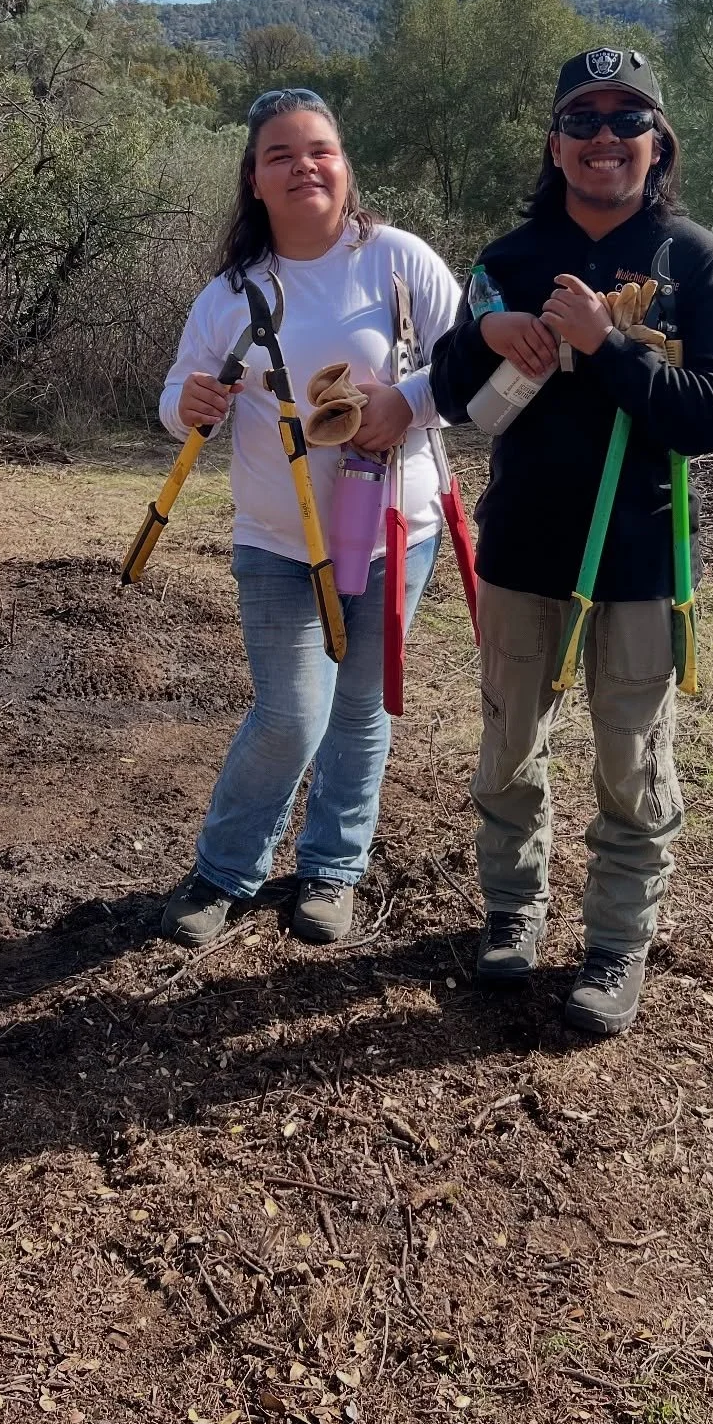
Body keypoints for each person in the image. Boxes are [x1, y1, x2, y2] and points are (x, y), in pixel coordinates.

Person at [430, 47, 713, 1036]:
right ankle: (512, 914)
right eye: (583, 120)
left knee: (634, 762)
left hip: (644, 558)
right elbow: (446, 390)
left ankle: (614, 947)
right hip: (524, 549)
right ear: (555, 144)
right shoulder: (505, 260)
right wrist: (491, 338)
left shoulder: (697, 264)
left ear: (658, 144)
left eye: (627, 120)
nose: (604, 138)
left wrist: (605, 348)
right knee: (509, 750)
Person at [159, 87, 460, 948]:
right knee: (293, 713)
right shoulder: (232, 294)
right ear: (254, 179)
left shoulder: (400, 262)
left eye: (319, 149)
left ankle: (332, 870)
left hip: (395, 533)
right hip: (277, 541)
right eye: (281, 156)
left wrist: (405, 401)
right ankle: (225, 871)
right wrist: (189, 402)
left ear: (345, 165)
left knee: (362, 709)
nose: (304, 167)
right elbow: (175, 395)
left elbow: (465, 368)